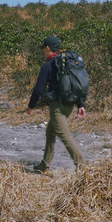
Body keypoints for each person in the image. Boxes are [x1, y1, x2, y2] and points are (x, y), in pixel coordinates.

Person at [26, 35, 86, 173]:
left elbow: (39, 90)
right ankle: (45, 165)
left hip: (57, 106)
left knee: (64, 135)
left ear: (48, 48)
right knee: (50, 132)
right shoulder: (69, 62)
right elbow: (78, 84)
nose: (43, 51)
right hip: (70, 104)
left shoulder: (48, 65)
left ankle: (83, 167)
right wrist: (81, 104)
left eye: (44, 49)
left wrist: (31, 106)